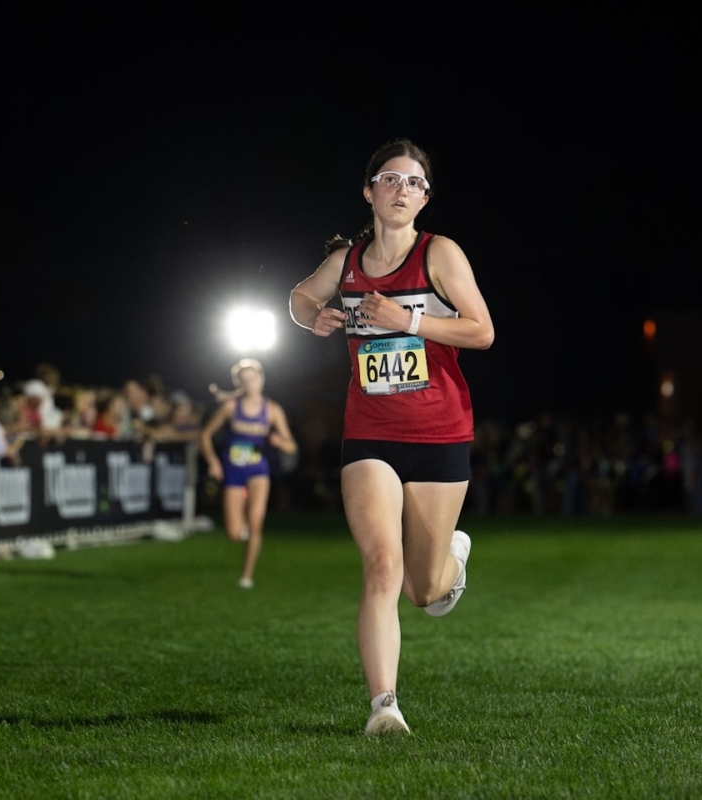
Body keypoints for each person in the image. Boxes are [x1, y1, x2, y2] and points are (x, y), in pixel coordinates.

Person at [288, 139, 494, 735]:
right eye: (390, 179)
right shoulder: (346, 262)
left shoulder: (439, 254)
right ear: (368, 191)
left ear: (425, 199)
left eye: (414, 183)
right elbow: (300, 298)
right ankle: (385, 707)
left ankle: (451, 556)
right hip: (370, 434)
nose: (402, 190)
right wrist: (315, 317)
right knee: (382, 566)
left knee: (424, 591)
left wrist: (404, 319)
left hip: (439, 431)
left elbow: (481, 331)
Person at [199, 359, 298, 588]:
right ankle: (240, 520)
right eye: (245, 380)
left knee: (256, 522)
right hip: (232, 470)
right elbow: (204, 435)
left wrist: (280, 442)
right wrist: (213, 462)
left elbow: (292, 446)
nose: (250, 383)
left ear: (261, 379)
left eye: (253, 378)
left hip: (258, 470)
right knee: (234, 533)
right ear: (239, 384)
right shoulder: (230, 407)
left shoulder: (272, 410)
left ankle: (246, 575)